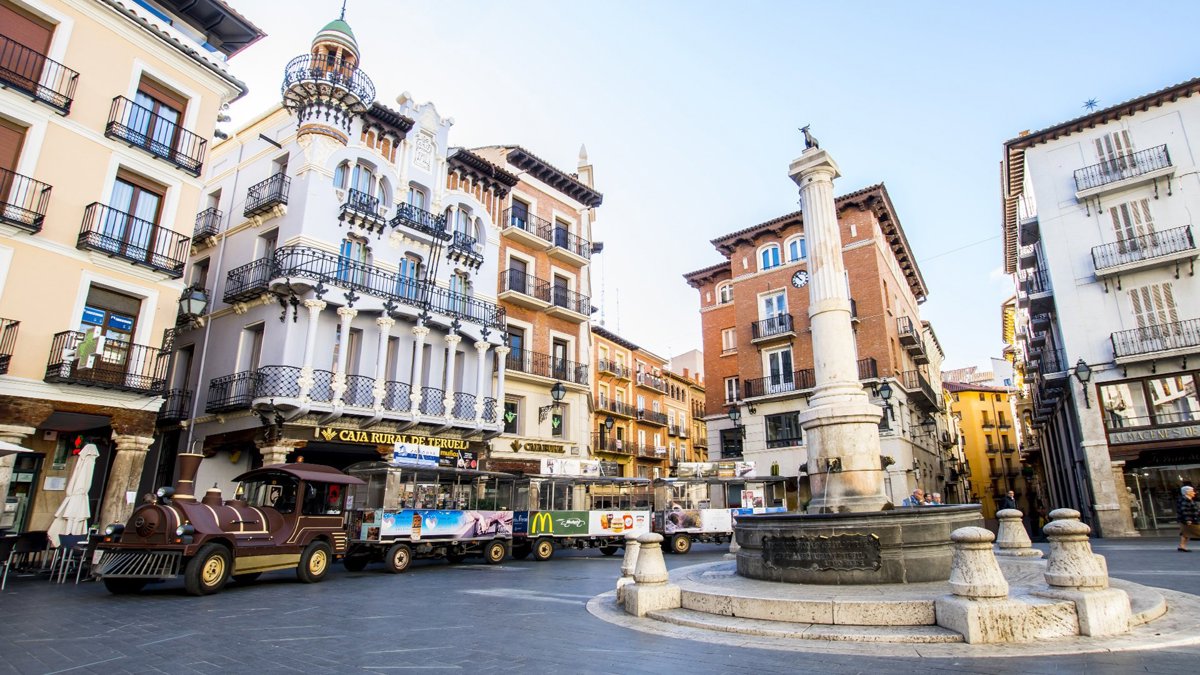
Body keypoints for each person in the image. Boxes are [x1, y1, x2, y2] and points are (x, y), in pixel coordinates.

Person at [1178, 486, 1200, 552]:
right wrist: (1188, 520)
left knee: (1185, 533)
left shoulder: (1187, 499)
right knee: (1186, 533)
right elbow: (1184, 511)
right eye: (1192, 491)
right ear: (1187, 492)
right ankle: (1181, 546)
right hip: (1190, 520)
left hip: (1188, 520)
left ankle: (1181, 546)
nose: (1194, 493)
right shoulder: (1185, 500)